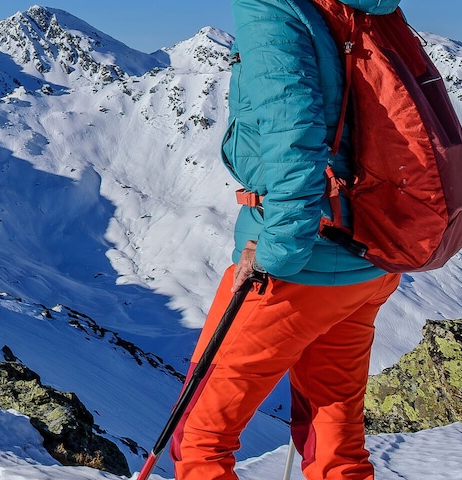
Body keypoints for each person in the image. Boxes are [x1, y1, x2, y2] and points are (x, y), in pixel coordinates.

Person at [173, 0, 406, 479]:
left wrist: (276, 254)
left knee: (199, 438)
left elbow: (293, 141)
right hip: (368, 259)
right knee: (335, 443)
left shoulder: (272, 9)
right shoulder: (359, 7)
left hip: (300, 263)